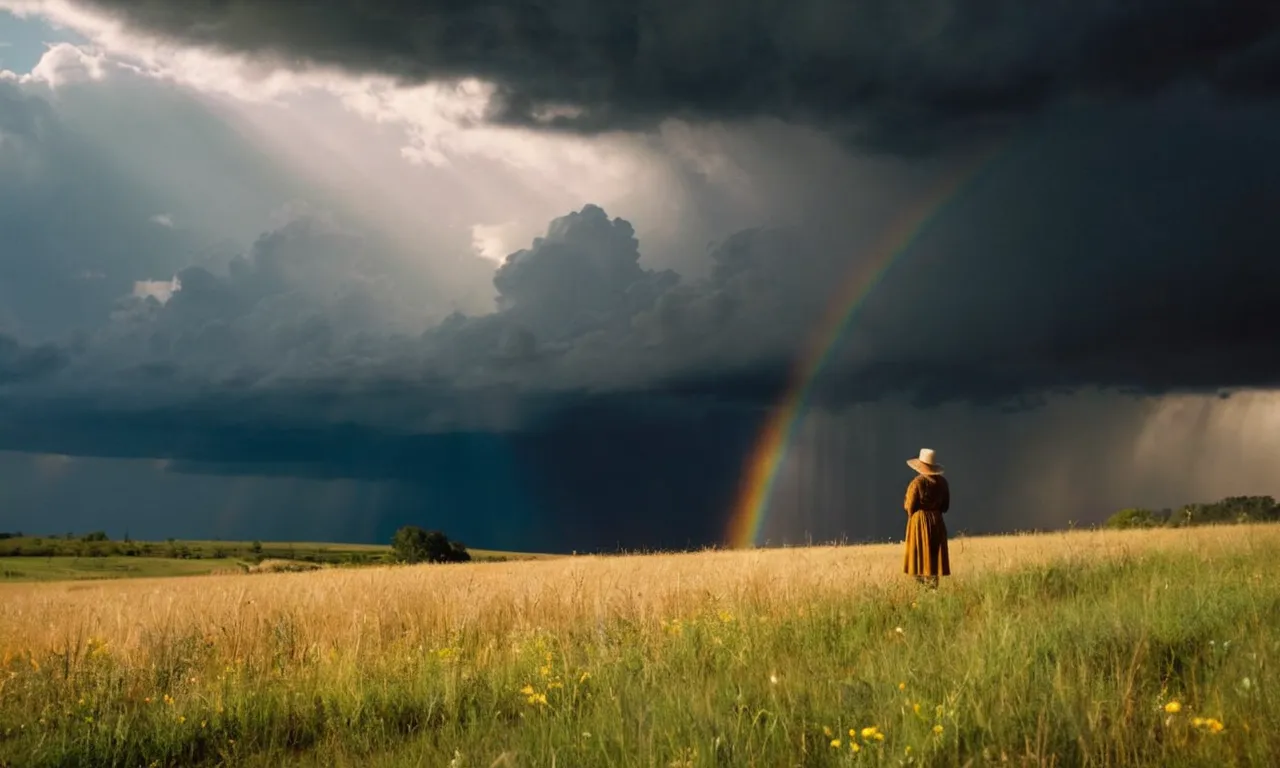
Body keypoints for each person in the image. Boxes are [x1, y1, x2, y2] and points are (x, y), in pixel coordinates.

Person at [902, 448, 950, 588]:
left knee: (917, 560)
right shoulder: (943, 483)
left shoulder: (916, 483)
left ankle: (922, 590)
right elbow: (945, 507)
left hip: (919, 522)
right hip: (937, 522)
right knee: (934, 561)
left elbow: (909, 506)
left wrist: (914, 516)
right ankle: (933, 589)